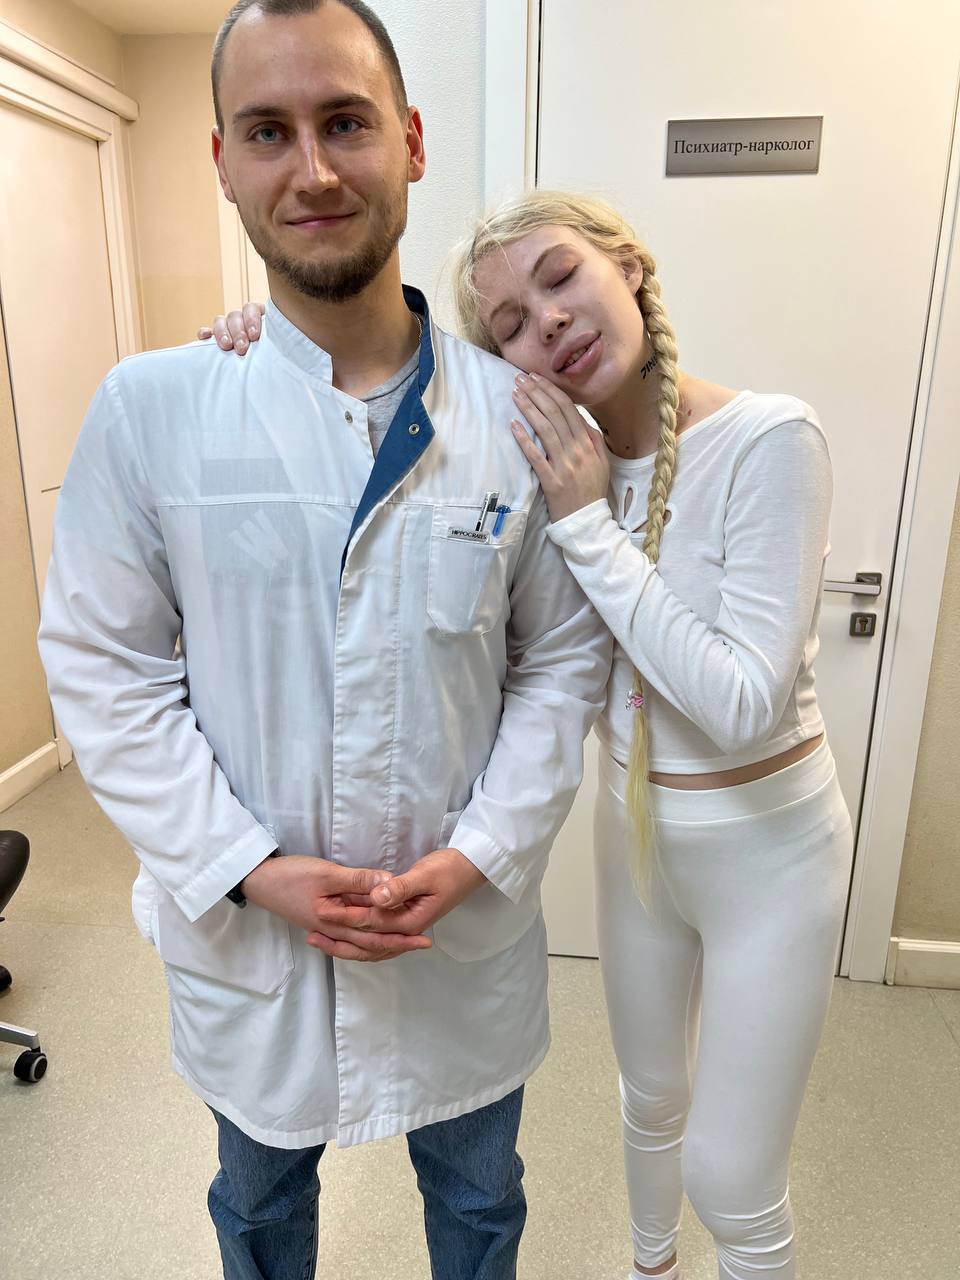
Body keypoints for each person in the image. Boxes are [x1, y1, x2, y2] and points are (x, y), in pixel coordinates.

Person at [37, 3, 610, 1277]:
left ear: (411, 140)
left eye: (345, 123)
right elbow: (104, 670)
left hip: (458, 934)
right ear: (222, 161)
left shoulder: (516, 417)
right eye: (267, 131)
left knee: (480, 1205)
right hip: (254, 943)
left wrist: (482, 849)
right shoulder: (154, 410)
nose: (311, 169)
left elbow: (563, 660)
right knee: (254, 1209)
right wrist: (246, 867)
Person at [209, 187, 854, 1280]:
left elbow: (742, 702)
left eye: (561, 278)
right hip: (639, 836)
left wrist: (589, 525)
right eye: (509, 323)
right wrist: (256, 347)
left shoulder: (767, 439)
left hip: (769, 847)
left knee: (731, 1176)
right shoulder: (554, 459)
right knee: (648, 1102)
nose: (546, 322)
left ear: (628, 265)